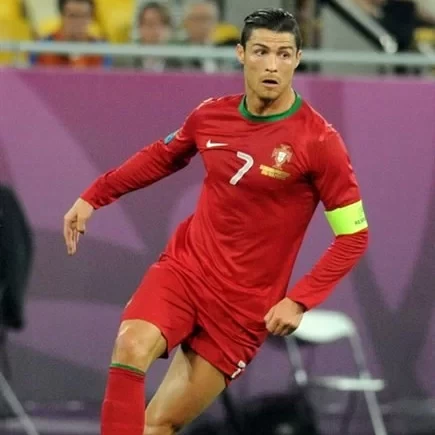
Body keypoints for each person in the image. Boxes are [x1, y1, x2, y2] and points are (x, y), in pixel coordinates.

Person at [63, 8, 369, 435]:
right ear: (241, 54)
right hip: (186, 270)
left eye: (283, 54)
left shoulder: (319, 141)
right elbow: (161, 157)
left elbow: (353, 236)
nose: (272, 65)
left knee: (157, 424)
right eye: (261, 51)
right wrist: (94, 195)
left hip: (242, 308)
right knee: (130, 345)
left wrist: (299, 300)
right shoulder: (210, 116)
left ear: (297, 59)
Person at [30, 0, 111, 69]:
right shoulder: (41, 49)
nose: (78, 22)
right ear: (62, 16)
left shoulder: (102, 52)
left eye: (84, 16)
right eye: (73, 16)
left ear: (91, 18)